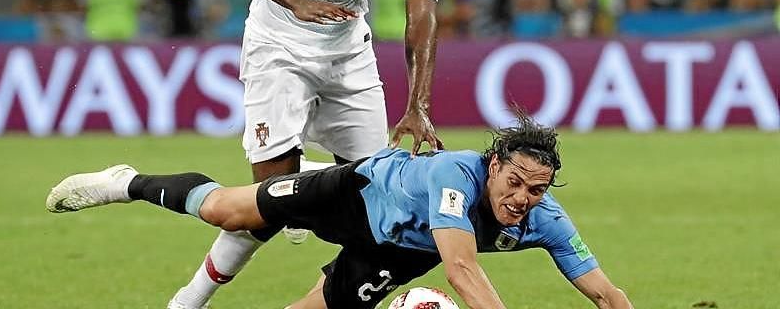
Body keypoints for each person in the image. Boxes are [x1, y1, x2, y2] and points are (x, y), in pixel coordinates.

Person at [167, 0, 443, 308]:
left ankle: (309, 206)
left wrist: (418, 104)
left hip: (348, 56)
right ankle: (188, 301)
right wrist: (296, 1)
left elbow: (421, 18)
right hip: (277, 42)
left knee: (379, 201)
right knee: (269, 198)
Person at [46, 110, 634, 309]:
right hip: (355, 195)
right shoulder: (457, 175)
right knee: (226, 211)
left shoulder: (545, 220)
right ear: (494, 164)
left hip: (401, 252)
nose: (522, 198)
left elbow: (607, 295)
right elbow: (461, 269)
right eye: (515, 182)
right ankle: (126, 182)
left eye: (537, 190)